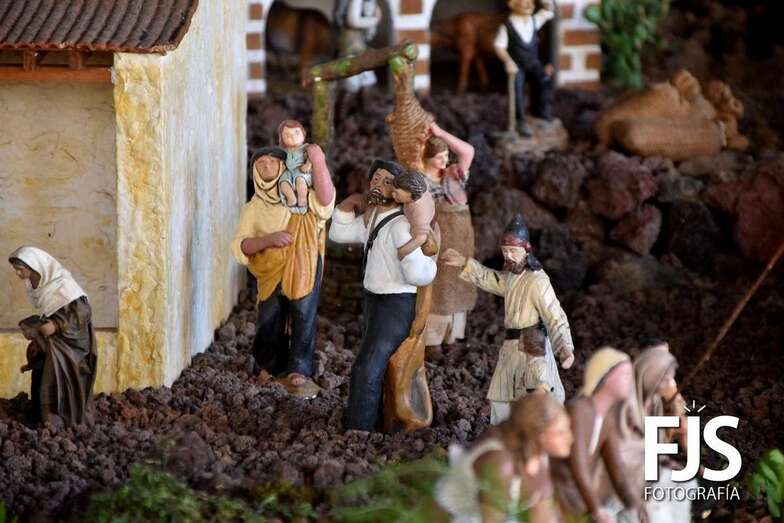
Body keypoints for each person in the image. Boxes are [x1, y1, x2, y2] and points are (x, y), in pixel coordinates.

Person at [329, 159, 437, 431]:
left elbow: (418, 275)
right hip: (373, 301)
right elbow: (340, 234)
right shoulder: (374, 217)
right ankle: (375, 418)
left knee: (367, 366)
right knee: (374, 365)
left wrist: (422, 262)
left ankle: (360, 428)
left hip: (395, 306)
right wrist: (349, 203)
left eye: (387, 182)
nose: (378, 185)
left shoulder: (401, 227)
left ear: (400, 192)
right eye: (375, 179)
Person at [441, 215, 575, 423]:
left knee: (538, 393)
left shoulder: (537, 281)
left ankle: (542, 435)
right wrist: (465, 264)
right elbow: (493, 280)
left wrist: (564, 347)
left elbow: (554, 315)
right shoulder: (512, 277)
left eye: (513, 251)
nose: (508, 256)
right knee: (502, 398)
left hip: (532, 343)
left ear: (526, 249)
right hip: (511, 346)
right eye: (505, 251)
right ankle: (504, 435)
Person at [231, 142, 335, 398]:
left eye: (273, 162)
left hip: (304, 263)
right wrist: (267, 241)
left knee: (303, 314)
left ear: (283, 167)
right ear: (254, 171)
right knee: (270, 315)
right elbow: (240, 245)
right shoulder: (254, 208)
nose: (267, 166)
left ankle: (299, 367)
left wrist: (318, 162)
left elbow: (325, 202)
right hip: (269, 270)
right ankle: (267, 365)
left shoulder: (299, 196)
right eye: (261, 163)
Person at [435, 393, 573, 523]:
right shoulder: (500, 463)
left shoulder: (538, 455)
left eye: (568, 428)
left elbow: (543, 515)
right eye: (560, 432)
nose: (570, 438)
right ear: (539, 434)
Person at [550, 348, 645, 523]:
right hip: (556, 495)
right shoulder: (578, 411)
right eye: (625, 375)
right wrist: (596, 510)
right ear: (606, 376)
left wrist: (634, 504)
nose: (630, 382)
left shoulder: (607, 421)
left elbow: (617, 470)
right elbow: (577, 465)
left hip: (578, 500)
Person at [9, 246, 97, 428]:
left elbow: (83, 312)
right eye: (16, 269)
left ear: (34, 266)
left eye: (20, 269)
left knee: (54, 375)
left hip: (72, 343)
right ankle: (41, 415)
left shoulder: (63, 284)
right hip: (55, 342)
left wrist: (57, 325)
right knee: (40, 371)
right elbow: (51, 310)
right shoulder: (41, 284)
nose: (18, 273)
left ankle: (61, 419)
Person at [421, 122, 477, 354]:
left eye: (446, 155)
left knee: (457, 280)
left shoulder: (454, 176)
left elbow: (468, 151)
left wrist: (441, 133)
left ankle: (452, 334)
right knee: (437, 285)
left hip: (460, 237)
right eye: (439, 157)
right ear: (427, 158)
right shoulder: (421, 180)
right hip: (436, 237)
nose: (444, 161)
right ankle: (431, 339)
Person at [494, 0, 556, 137]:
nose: (529, 5)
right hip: (517, 65)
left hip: (534, 62)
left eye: (530, 1)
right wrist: (508, 61)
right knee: (517, 91)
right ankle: (520, 121)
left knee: (542, 82)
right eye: (524, 1)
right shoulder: (507, 26)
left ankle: (539, 112)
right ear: (513, 4)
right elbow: (499, 46)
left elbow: (548, 11)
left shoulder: (534, 20)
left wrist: (546, 1)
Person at [392, 169, 436, 260]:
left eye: (397, 193)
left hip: (421, 232)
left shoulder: (419, 212)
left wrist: (401, 253)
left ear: (410, 193)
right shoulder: (417, 191)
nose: (393, 195)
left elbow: (421, 238)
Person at [277, 120, 313, 214]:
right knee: (283, 182)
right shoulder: (285, 151)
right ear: (282, 139)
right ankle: (291, 200)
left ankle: (302, 203)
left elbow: (313, 156)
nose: (293, 137)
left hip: (302, 171)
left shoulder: (306, 148)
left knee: (300, 181)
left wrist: (308, 164)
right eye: (288, 135)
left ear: (303, 134)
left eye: (296, 133)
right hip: (289, 172)